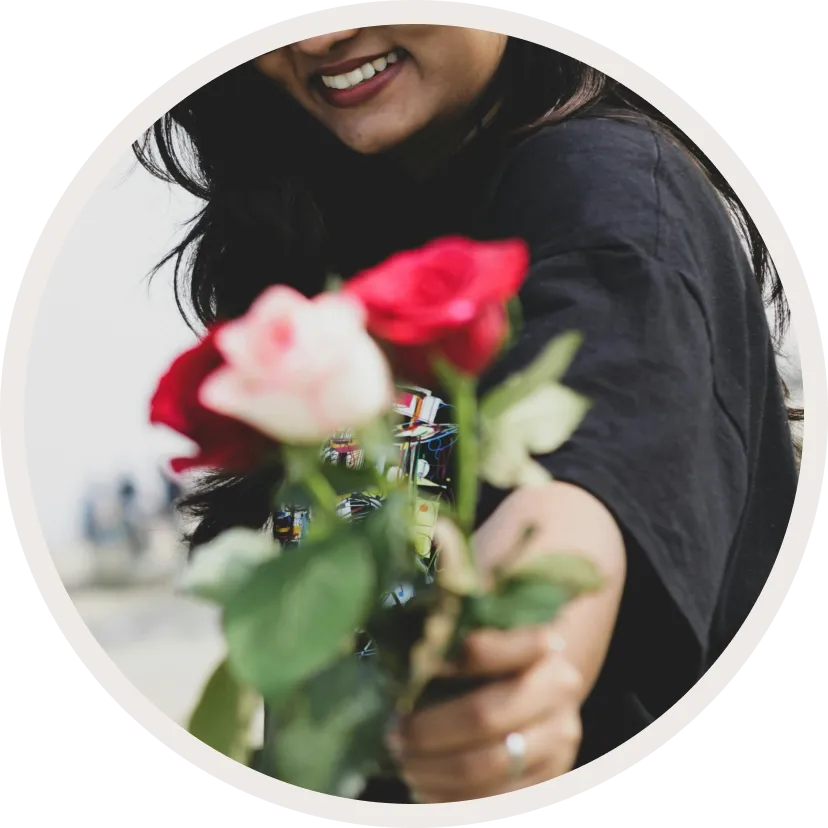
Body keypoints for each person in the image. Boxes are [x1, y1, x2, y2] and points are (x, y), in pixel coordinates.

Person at [134, 27, 801, 803]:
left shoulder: (603, 181)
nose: (324, 33)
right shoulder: (350, 223)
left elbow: (591, 454)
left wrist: (517, 668)